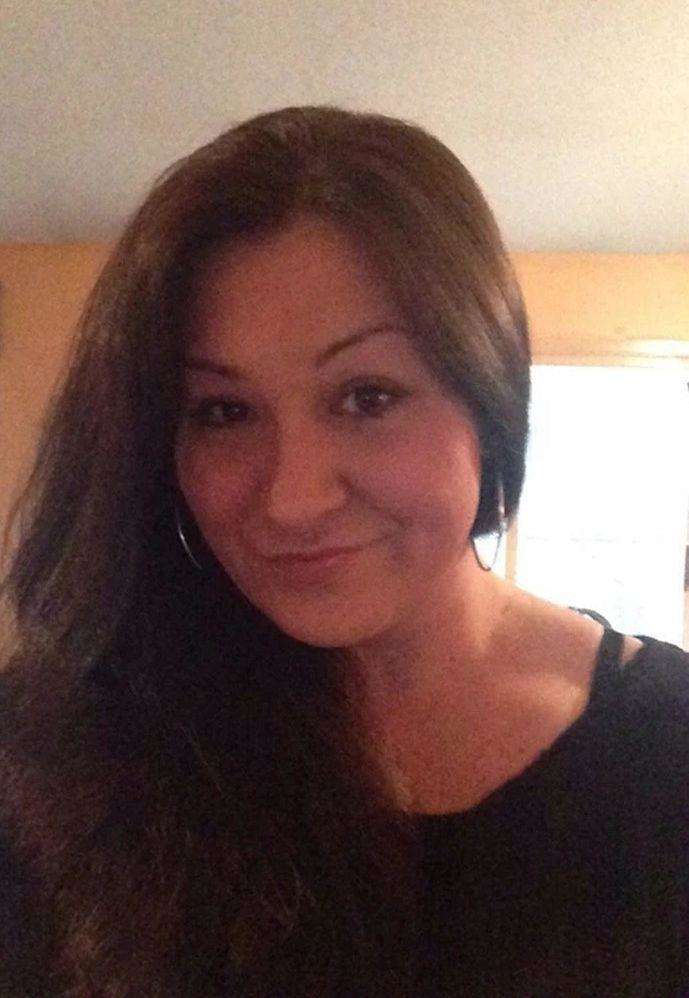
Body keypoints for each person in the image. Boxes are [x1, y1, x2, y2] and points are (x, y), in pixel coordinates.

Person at [0, 106, 687, 997]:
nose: (292, 498)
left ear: (486, 395)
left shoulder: (667, 755)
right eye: (222, 412)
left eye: (367, 397)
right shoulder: (57, 750)